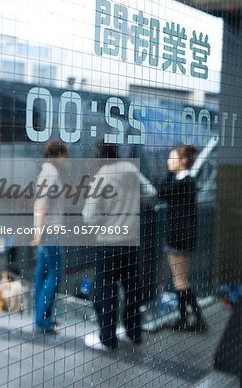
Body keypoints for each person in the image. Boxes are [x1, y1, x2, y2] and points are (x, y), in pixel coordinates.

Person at [83, 142, 157, 350]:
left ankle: (107, 339)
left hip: (108, 243)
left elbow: (89, 216)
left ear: (99, 156)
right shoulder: (131, 169)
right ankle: (134, 333)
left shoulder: (101, 176)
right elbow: (151, 192)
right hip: (131, 242)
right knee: (132, 288)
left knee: (105, 291)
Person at [159, 145, 208, 332]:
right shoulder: (188, 182)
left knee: (179, 280)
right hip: (187, 237)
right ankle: (190, 318)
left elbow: (161, 192)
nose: (168, 162)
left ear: (183, 161)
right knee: (182, 279)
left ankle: (190, 319)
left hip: (177, 238)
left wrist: (169, 174)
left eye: (172, 158)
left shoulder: (182, 183)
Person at [31, 140, 68, 333]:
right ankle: (42, 318)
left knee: (43, 274)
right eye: (65, 156)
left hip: (46, 232)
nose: (66, 161)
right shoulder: (50, 174)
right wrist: (38, 233)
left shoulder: (46, 172)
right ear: (58, 154)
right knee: (53, 274)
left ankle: (42, 317)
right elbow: (42, 206)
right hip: (50, 232)